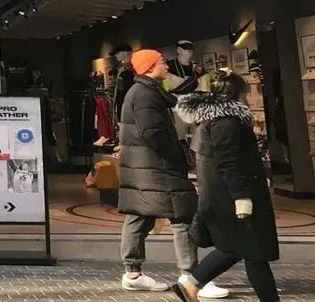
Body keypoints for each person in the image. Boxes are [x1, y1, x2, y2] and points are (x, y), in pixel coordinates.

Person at [117, 49, 227, 297]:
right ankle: (192, 276)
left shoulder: (143, 91)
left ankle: (133, 273)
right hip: (157, 167)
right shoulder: (146, 95)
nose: (166, 66)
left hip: (143, 167)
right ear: (150, 67)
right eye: (162, 62)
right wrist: (176, 152)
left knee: (138, 215)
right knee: (182, 215)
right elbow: (152, 133)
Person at [171, 71, 280, 302]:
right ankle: (192, 283)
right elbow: (228, 161)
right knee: (253, 251)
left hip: (224, 194)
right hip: (233, 196)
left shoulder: (211, 120)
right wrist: (242, 196)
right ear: (236, 94)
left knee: (240, 248)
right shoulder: (227, 122)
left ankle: (192, 284)